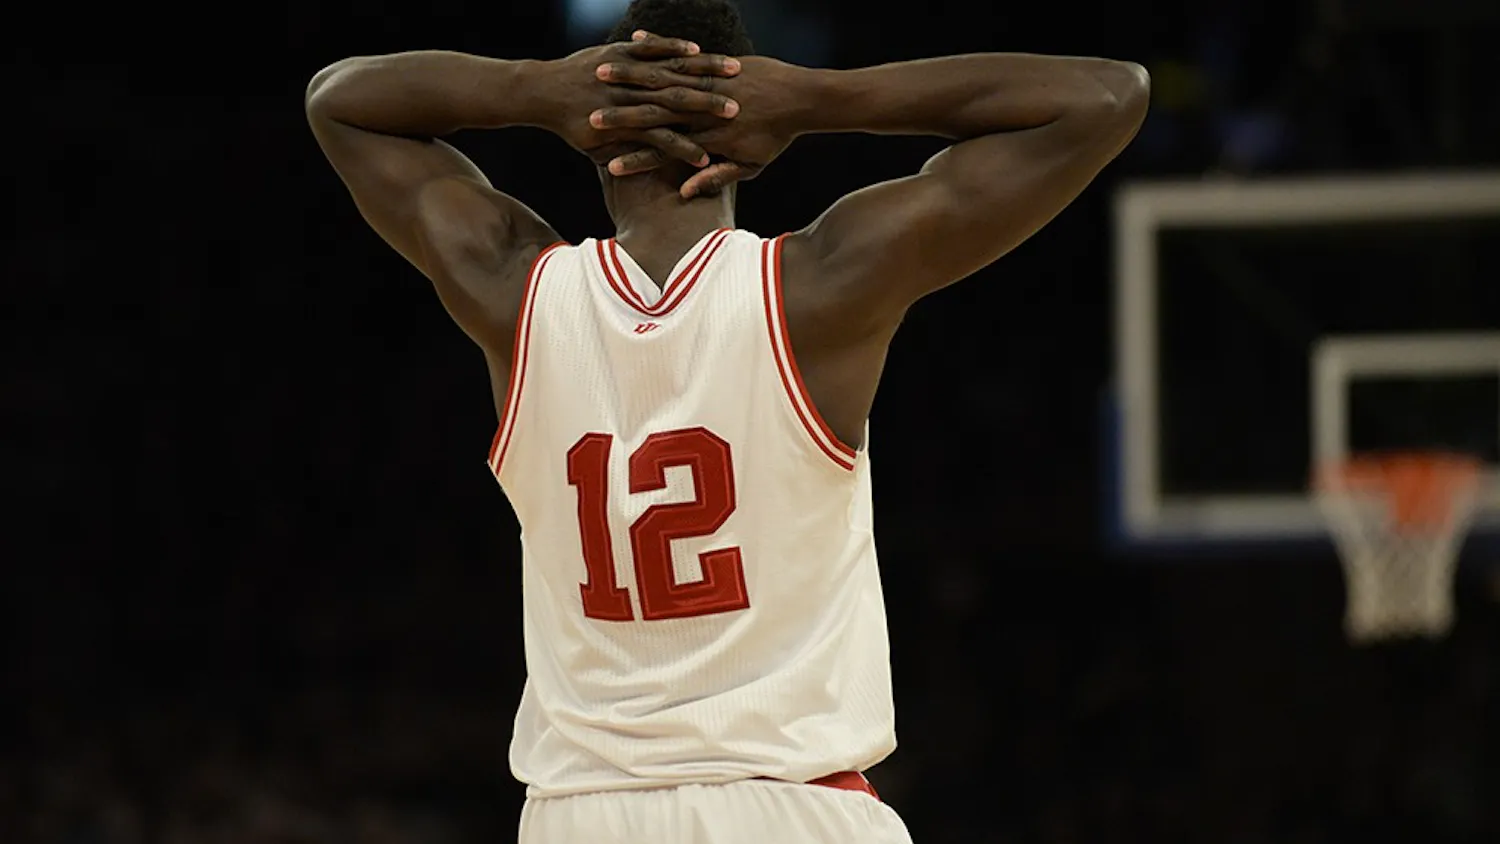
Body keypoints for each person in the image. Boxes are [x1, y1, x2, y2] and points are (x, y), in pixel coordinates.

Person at [305, 1, 1148, 841]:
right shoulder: (817, 290)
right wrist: (819, 100)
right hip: (788, 801)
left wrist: (536, 90)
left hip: (581, 814)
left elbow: (339, 100)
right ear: (747, 140)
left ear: (598, 145)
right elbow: (1106, 97)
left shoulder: (512, 291)